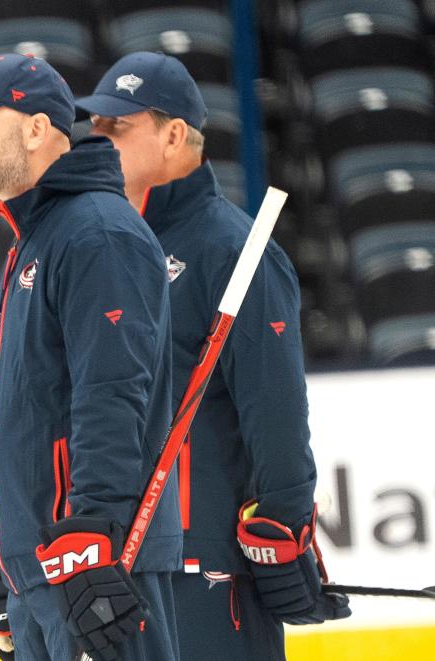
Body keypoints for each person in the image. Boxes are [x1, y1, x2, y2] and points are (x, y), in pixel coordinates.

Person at [75, 51, 351, 661]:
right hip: (124, 564)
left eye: (115, 127)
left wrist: (281, 527)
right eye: (92, 126)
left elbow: (275, 410)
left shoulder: (233, 249)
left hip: (208, 570)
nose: (95, 140)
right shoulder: (108, 244)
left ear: (175, 134)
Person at [0, 54, 182, 661]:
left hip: (97, 568)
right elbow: (35, 417)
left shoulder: (97, 234)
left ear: (36, 129)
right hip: (43, 570)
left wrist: (92, 536)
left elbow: (112, 398)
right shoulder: (34, 240)